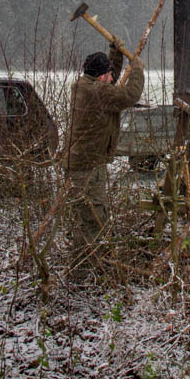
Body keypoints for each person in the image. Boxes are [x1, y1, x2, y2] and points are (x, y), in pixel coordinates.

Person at [64, 38, 144, 259]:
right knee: (93, 220)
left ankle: (87, 266)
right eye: (109, 74)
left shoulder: (85, 85)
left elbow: (109, 80)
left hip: (81, 165)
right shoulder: (97, 92)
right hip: (87, 168)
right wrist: (137, 70)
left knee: (85, 218)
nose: (112, 79)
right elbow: (129, 95)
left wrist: (115, 54)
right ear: (101, 76)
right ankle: (86, 271)